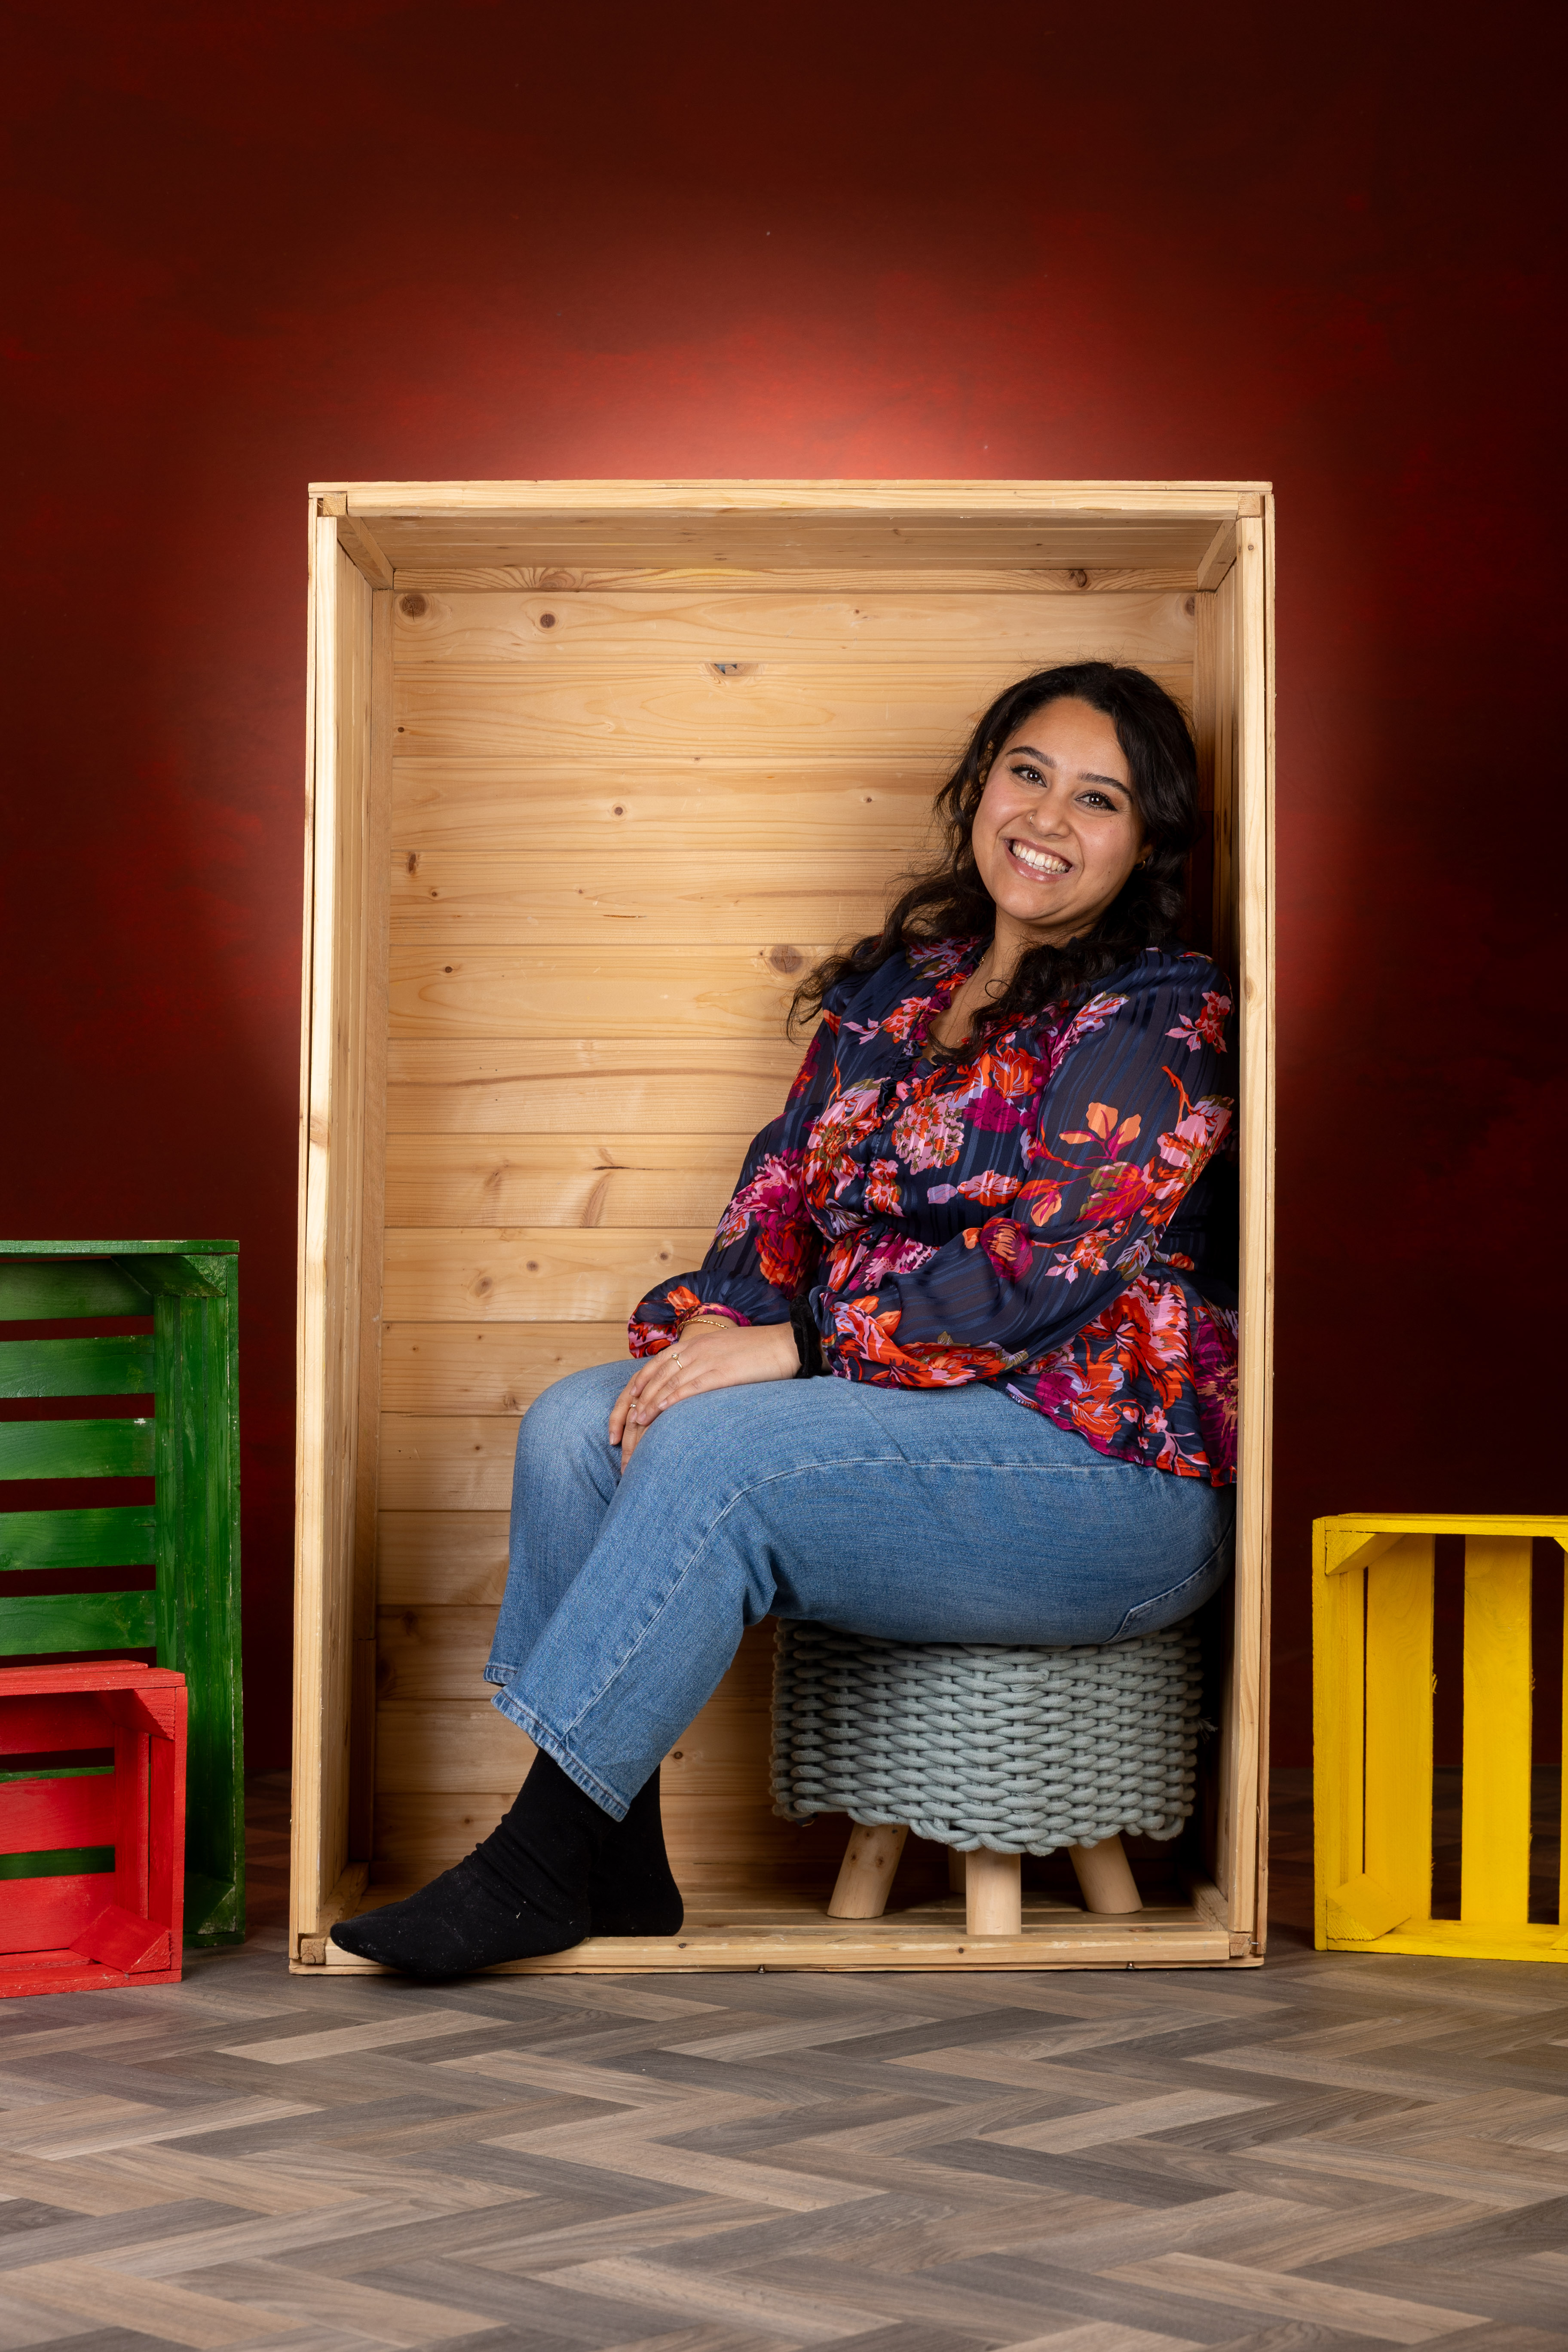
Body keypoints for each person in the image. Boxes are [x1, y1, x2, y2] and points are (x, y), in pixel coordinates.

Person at [332, 660, 1239, 1978]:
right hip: (910, 1421)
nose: (1048, 817)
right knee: (582, 1425)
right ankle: (615, 1865)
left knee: (717, 1452)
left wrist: (799, 1347)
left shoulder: (1161, 1010)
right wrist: (716, 1331)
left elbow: (1050, 1266)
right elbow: (780, 1197)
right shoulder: (898, 992)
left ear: (1145, 842)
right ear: (982, 783)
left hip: (1105, 1480)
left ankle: (532, 1867)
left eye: (1099, 799)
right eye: (1029, 773)